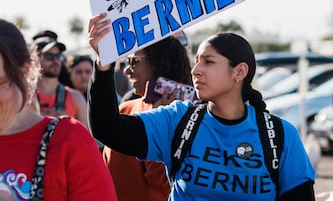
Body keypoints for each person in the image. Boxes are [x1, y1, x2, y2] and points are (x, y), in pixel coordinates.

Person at [87, 13, 316, 200]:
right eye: (196, 61)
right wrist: (103, 64)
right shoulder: (177, 119)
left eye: (208, 62)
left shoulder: (280, 135)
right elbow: (108, 128)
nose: (196, 70)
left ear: (239, 72)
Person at [0, 18, 117, 200]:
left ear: (25, 71)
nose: (55, 61)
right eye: (49, 56)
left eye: (0, 83)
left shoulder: (69, 139)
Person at [102, 36, 193, 201]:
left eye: (133, 61)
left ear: (158, 63)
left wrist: (162, 123)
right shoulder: (124, 109)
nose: (126, 70)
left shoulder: (191, 118)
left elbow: (160, 181)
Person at [32, 32, 88, 127]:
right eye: (49, 56)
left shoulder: (76, 98)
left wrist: (66, 123)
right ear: (35, 59)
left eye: (58, 55)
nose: (55, 61)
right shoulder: (25, 97)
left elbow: (87, 139)